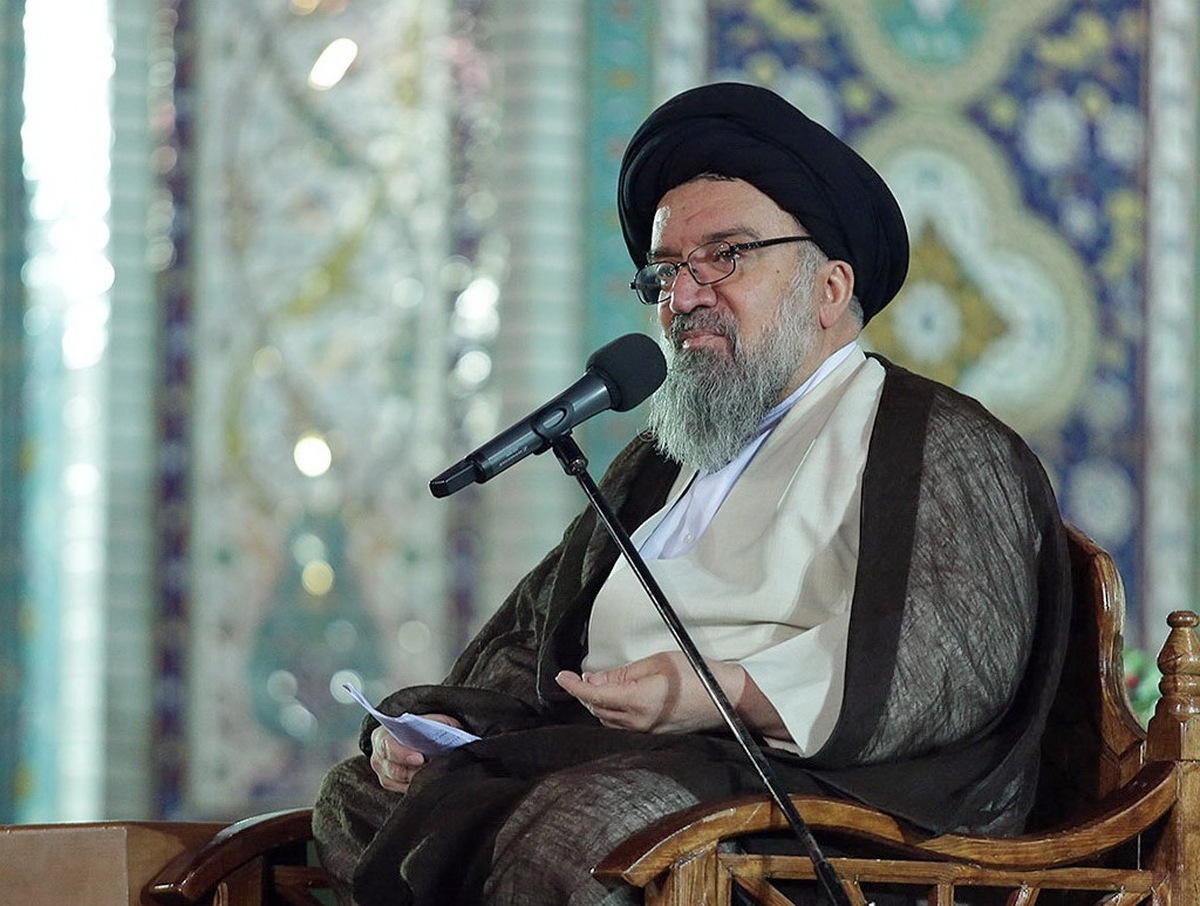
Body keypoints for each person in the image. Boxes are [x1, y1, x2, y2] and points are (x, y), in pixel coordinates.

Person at [312, 82, 1071, 906]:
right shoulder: (658, 462)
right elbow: (537, 634)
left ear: (829, 288)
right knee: (359, 800)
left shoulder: (937, 441)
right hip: (604, 758)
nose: (685, 296)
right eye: (668, 270)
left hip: (817, 805)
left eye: (726, 255)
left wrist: (714, 692)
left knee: (586, 835)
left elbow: (955, 661)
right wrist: (452, 729)